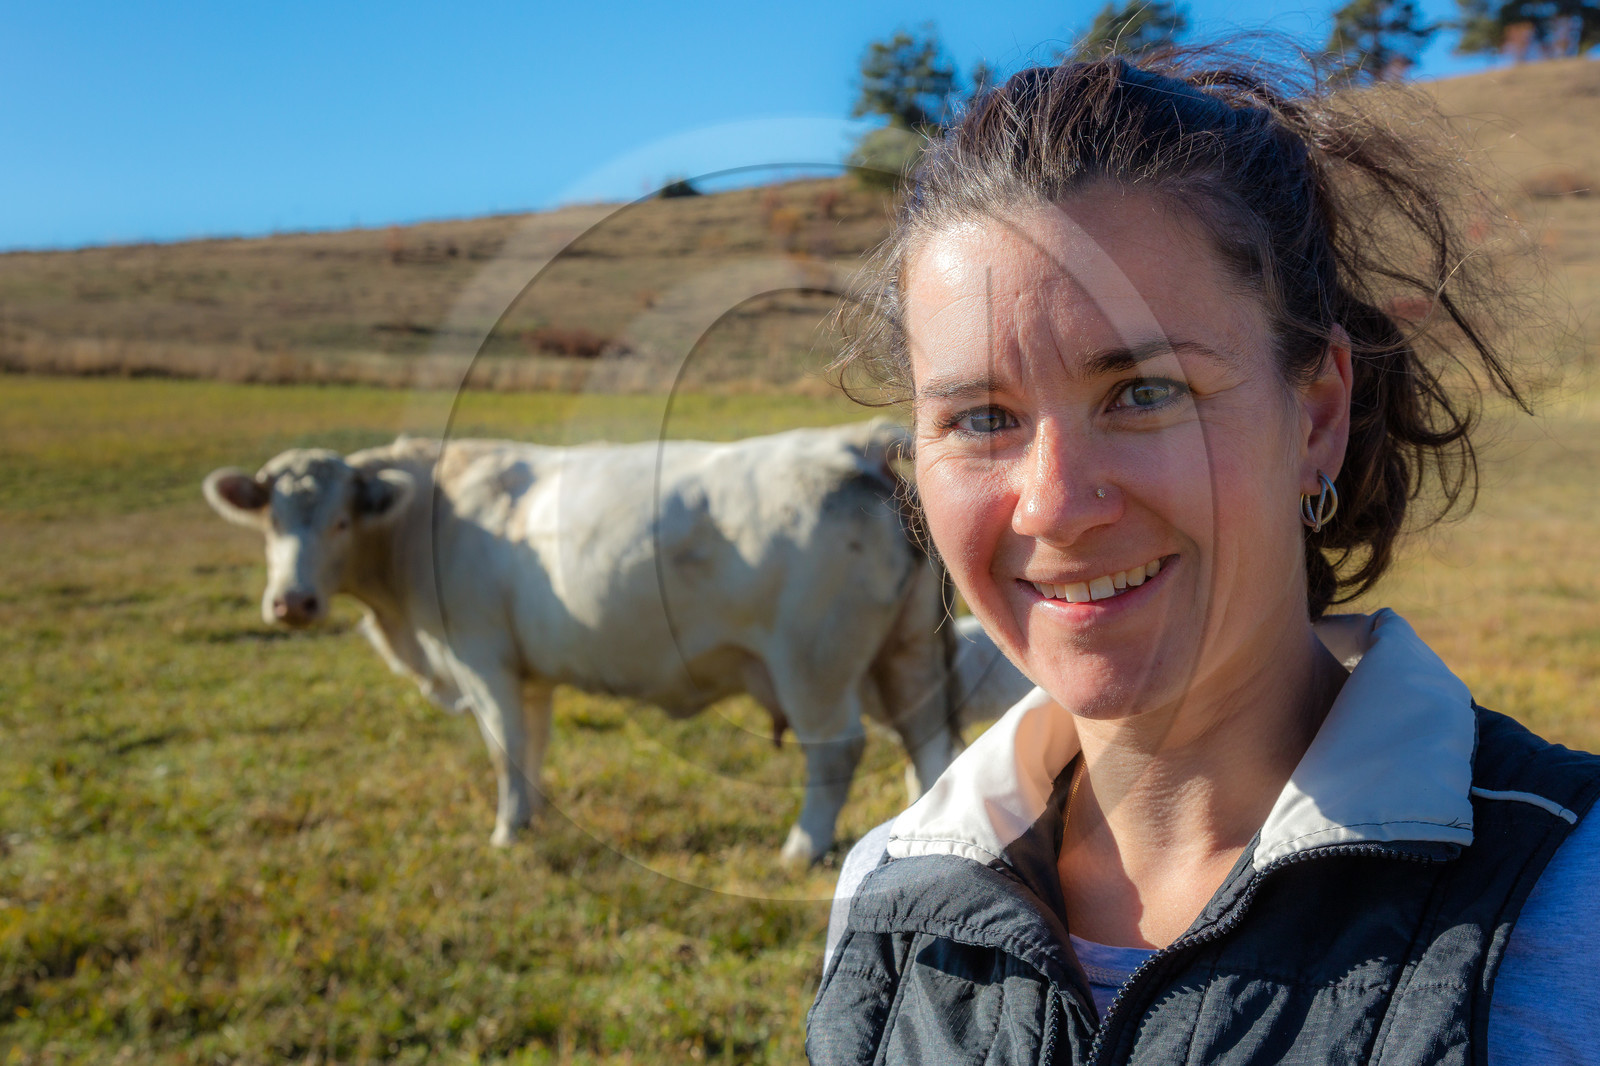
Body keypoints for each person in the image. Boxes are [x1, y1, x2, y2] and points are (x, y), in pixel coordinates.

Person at [807, 48, 1600, 1065]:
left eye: (1143, 392)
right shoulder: (890, 897)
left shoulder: (1567, 900)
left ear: (1315, 414)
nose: (1051, 503)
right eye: (981, 416)